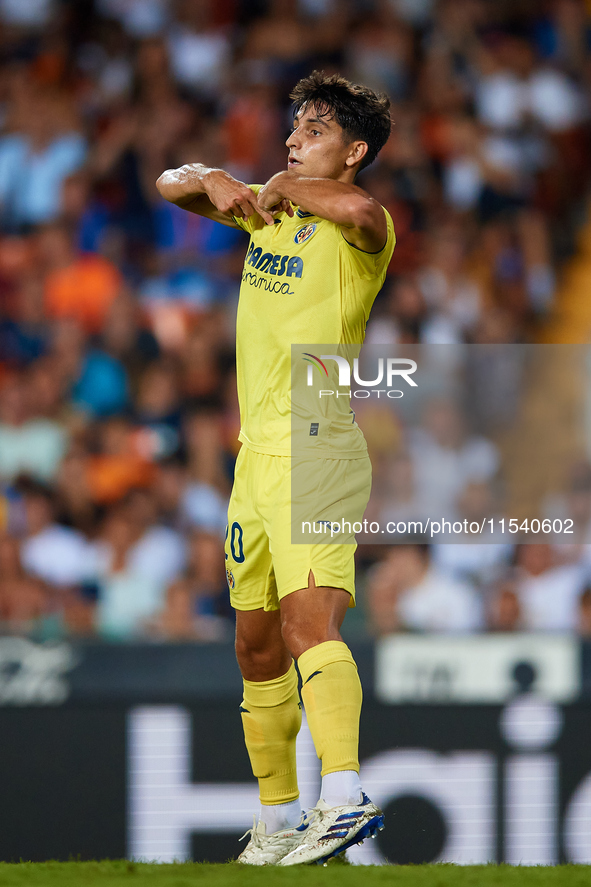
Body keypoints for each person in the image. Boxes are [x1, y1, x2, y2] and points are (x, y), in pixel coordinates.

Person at [156, 70, 395, 866]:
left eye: (315, 129)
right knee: (254, 644)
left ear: (354, 150)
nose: (294, 137)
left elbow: (361, 210)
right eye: (294, 126)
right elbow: (168, 185)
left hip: (317, 442)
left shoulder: (360, 231)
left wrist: (276, 185)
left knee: (305, 626)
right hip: (254, 457)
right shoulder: (270, 206)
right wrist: (215, 179)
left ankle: (346, 793)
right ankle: (281, 814)